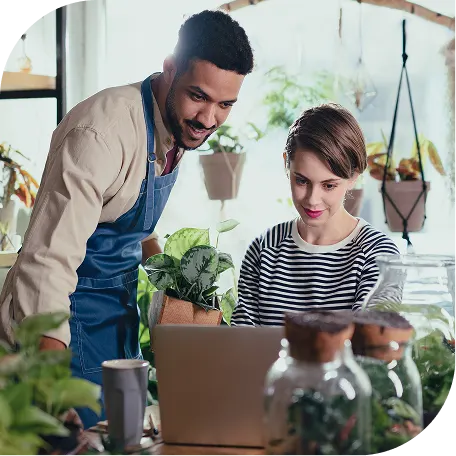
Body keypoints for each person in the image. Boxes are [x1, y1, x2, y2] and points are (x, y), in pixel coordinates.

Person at [0, 10, 254, 427]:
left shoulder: (175, 127)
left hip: (117, 321)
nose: (209, 119)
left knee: (127, 438)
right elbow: (48, 262)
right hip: (62, 325)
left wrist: (172, 285)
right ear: (170, 68)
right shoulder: (101, 133)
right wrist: (49, 382)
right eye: (199, 96)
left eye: (225, 104)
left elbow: (132, 225)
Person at [231, 103, 399, 327]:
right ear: (286, 164)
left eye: (329, 185)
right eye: (302, 180)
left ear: (354, 177)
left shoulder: (379, 255)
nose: (312, 199)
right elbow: (242, 345)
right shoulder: (263, 250)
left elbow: (371, 346)